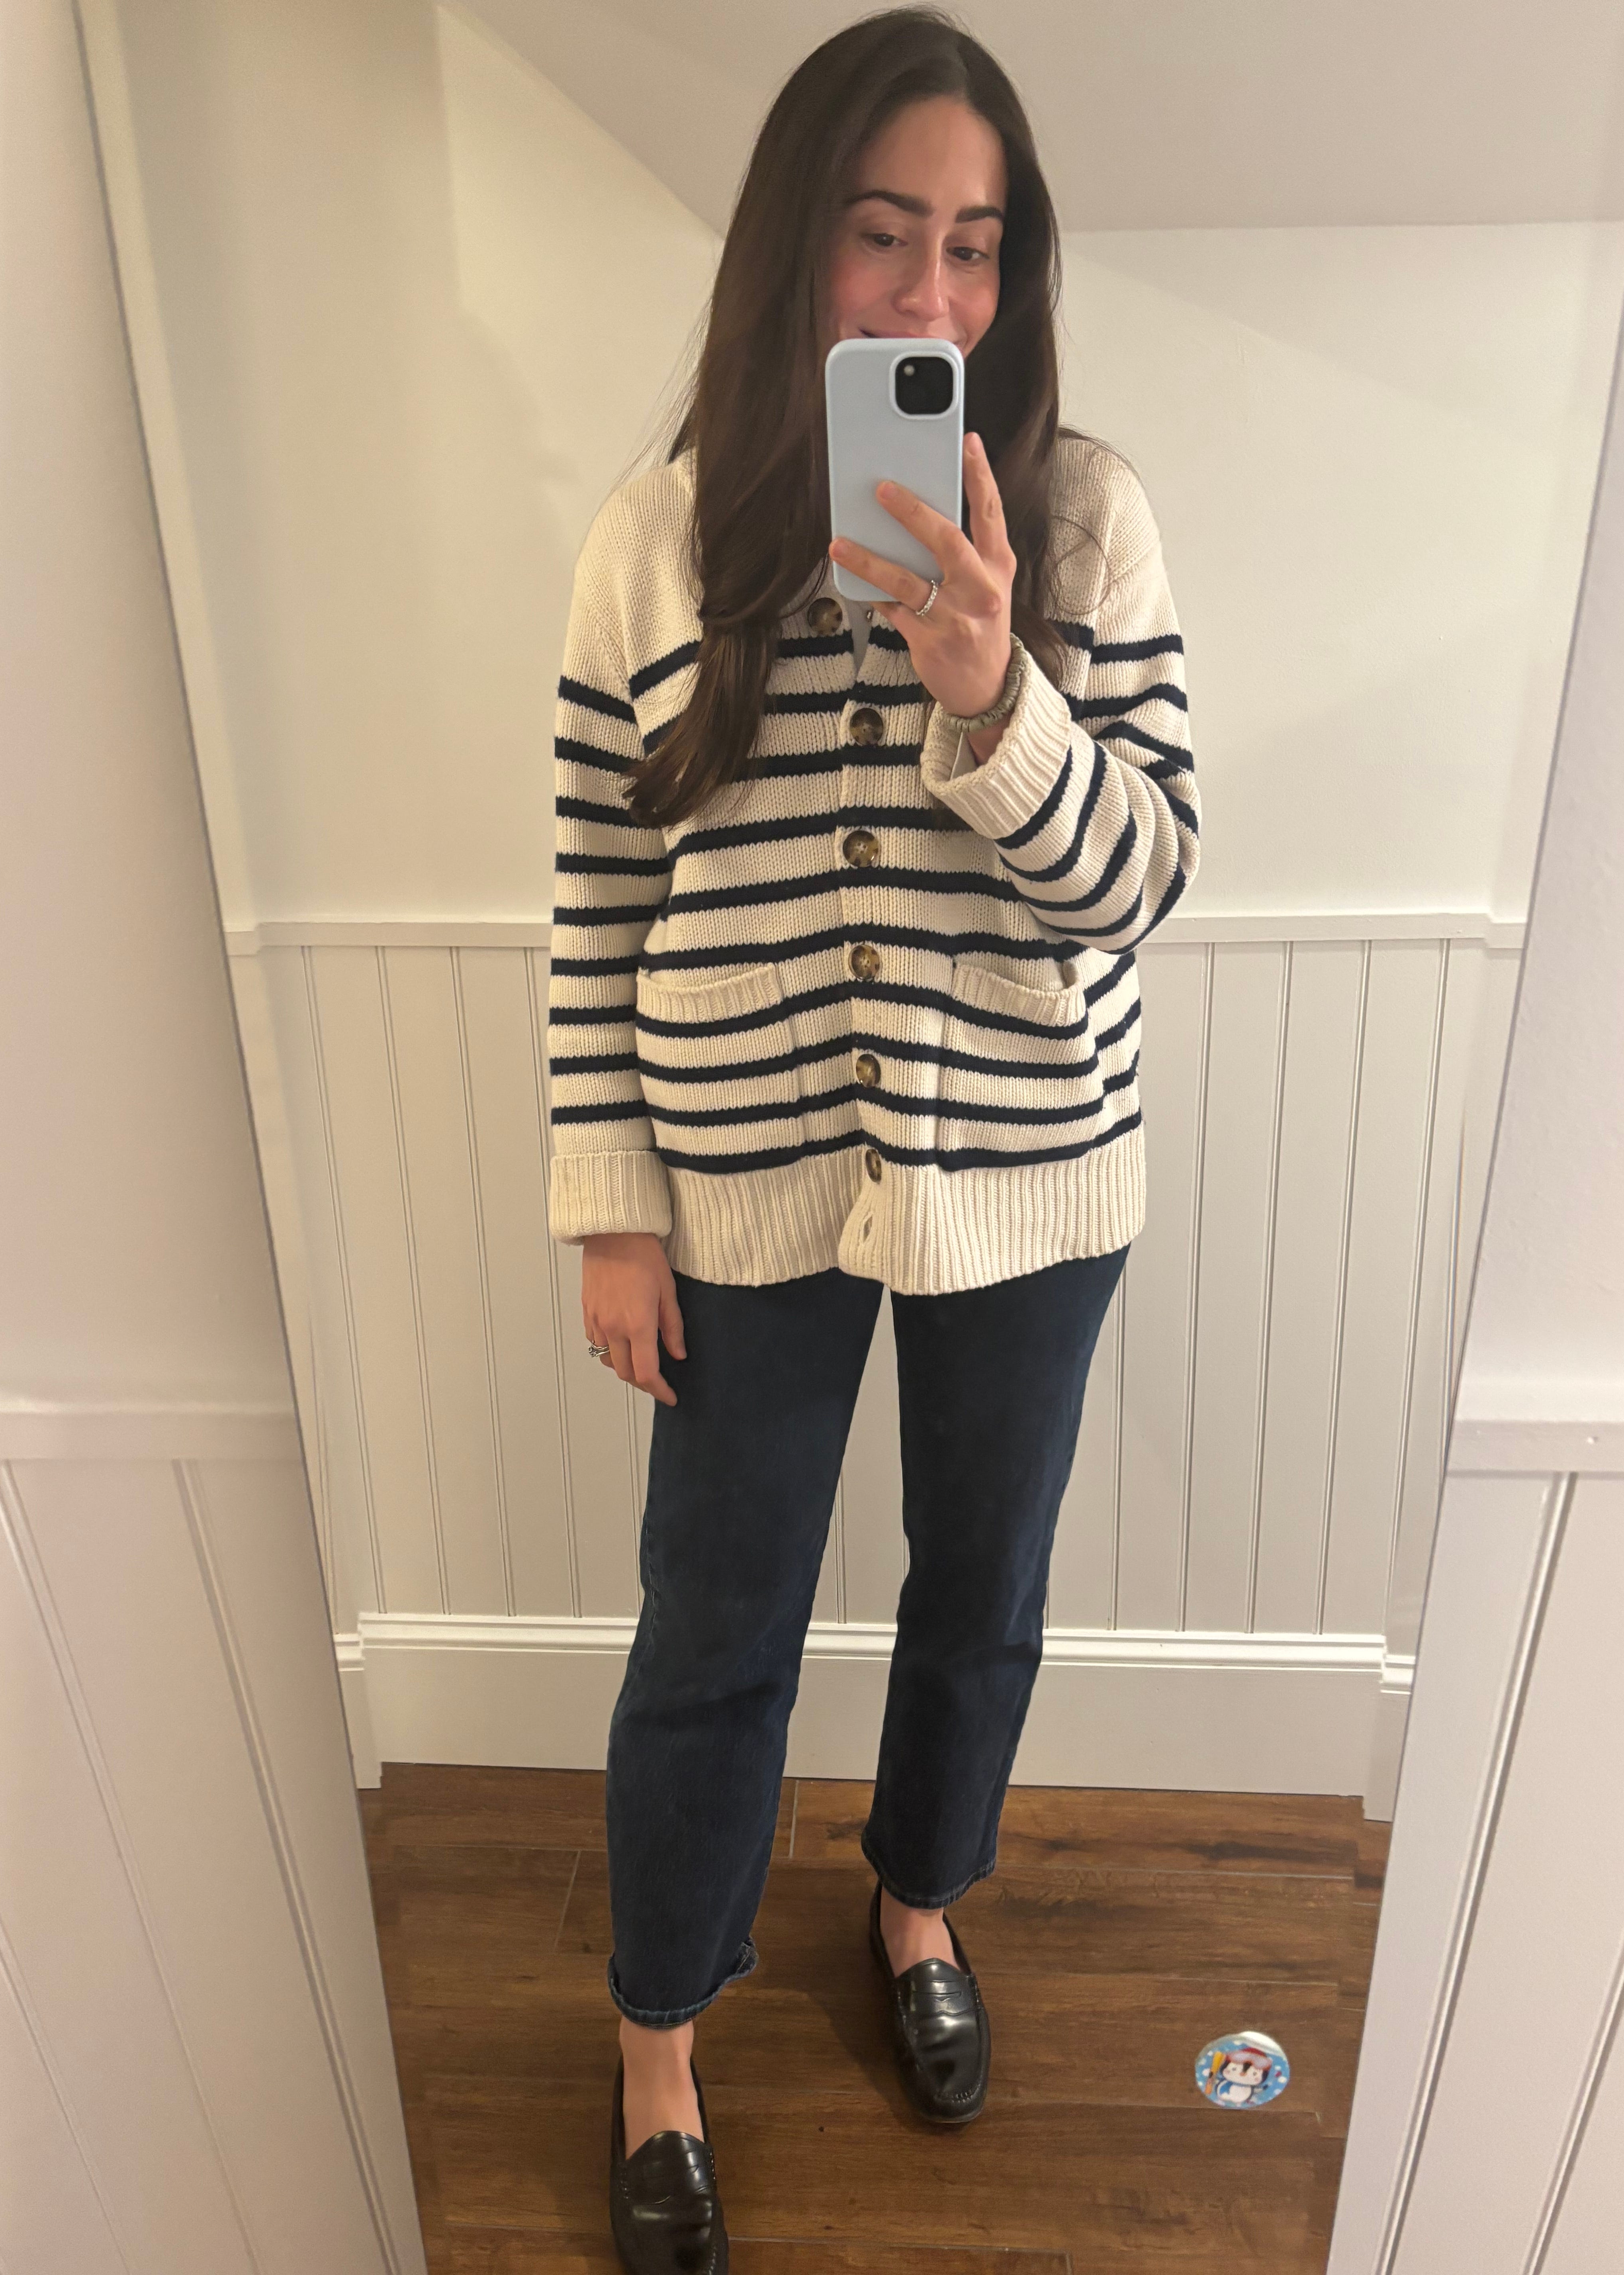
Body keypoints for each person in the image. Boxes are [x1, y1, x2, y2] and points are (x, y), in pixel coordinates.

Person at [544, 12, 1199, 2267]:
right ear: (792, 247)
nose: (933, 297)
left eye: (977, 249)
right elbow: (598, 895)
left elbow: (1141, 881)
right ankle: (657, 2039)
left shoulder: (1084, 518)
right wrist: (612, 1210)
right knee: (714, 1626)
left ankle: (917, 1908)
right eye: (884, 236)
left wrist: (995, 689)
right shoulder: (655, 544)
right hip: (740, 1187)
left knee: (978, 1592)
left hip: (1032, 1172)